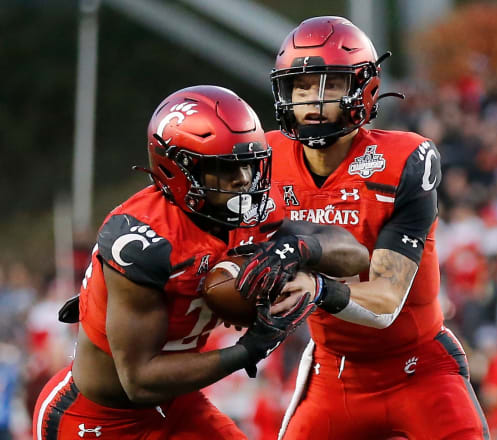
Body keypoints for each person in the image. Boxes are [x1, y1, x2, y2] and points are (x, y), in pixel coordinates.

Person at [32, 85, 369, 440]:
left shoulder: (251, 212)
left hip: (177, 407)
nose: (242, 180)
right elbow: (139, 381)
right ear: (179, 170)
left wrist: (301, 249)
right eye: (224, 169)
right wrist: (249, 349)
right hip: (97, 420)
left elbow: (354, 254)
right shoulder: (141, 239)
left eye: (247, 165)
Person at [234, 16, 490, 440]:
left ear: (362, 88)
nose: (313, 101)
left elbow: (387, 301)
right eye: (301, 87)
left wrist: (315, 288)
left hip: (420, 369)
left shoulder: (404, 159)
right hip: (336, 376)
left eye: (329, 85)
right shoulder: (264, 158)